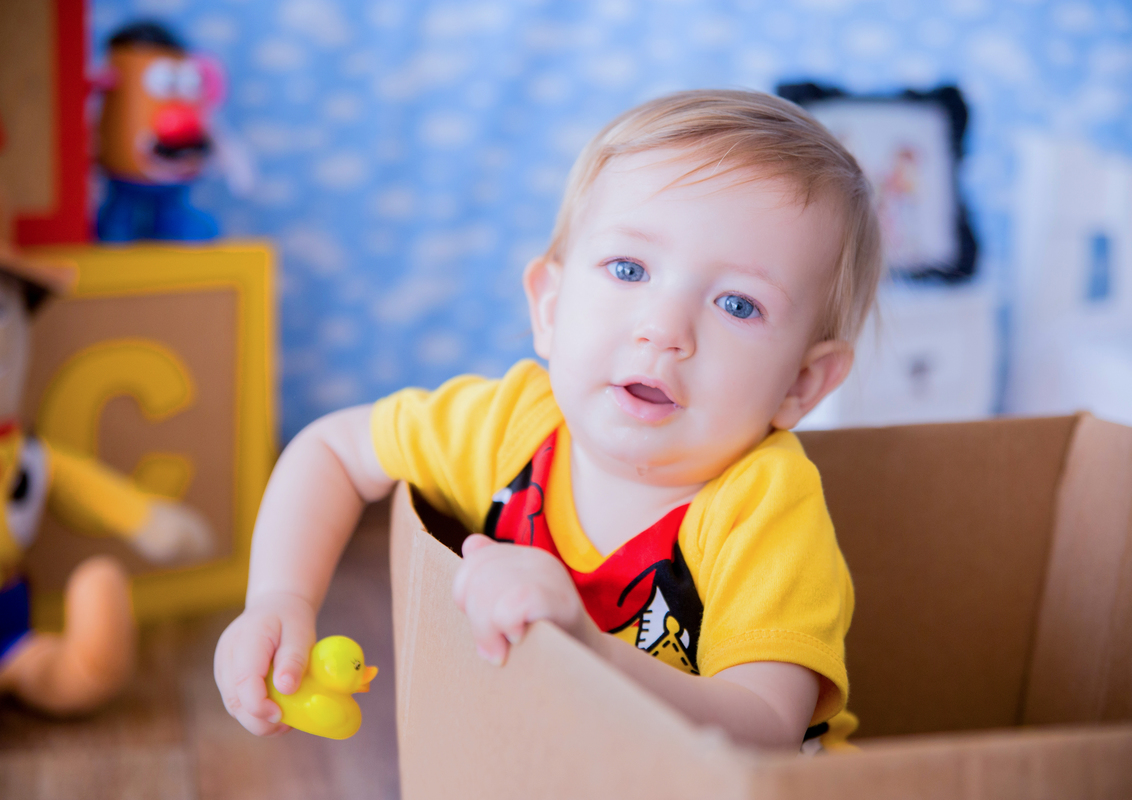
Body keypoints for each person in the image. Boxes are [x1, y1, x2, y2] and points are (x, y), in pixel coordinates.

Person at [214, 89, 882, 750]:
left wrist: (585, 646)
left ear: (801, 384)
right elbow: (334, 450)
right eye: (629, 268)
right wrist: (278, 600)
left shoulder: (763, 507)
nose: (664, 329)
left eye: (737, 304)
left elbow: (767, 727)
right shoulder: (507, 427)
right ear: (550, 308)